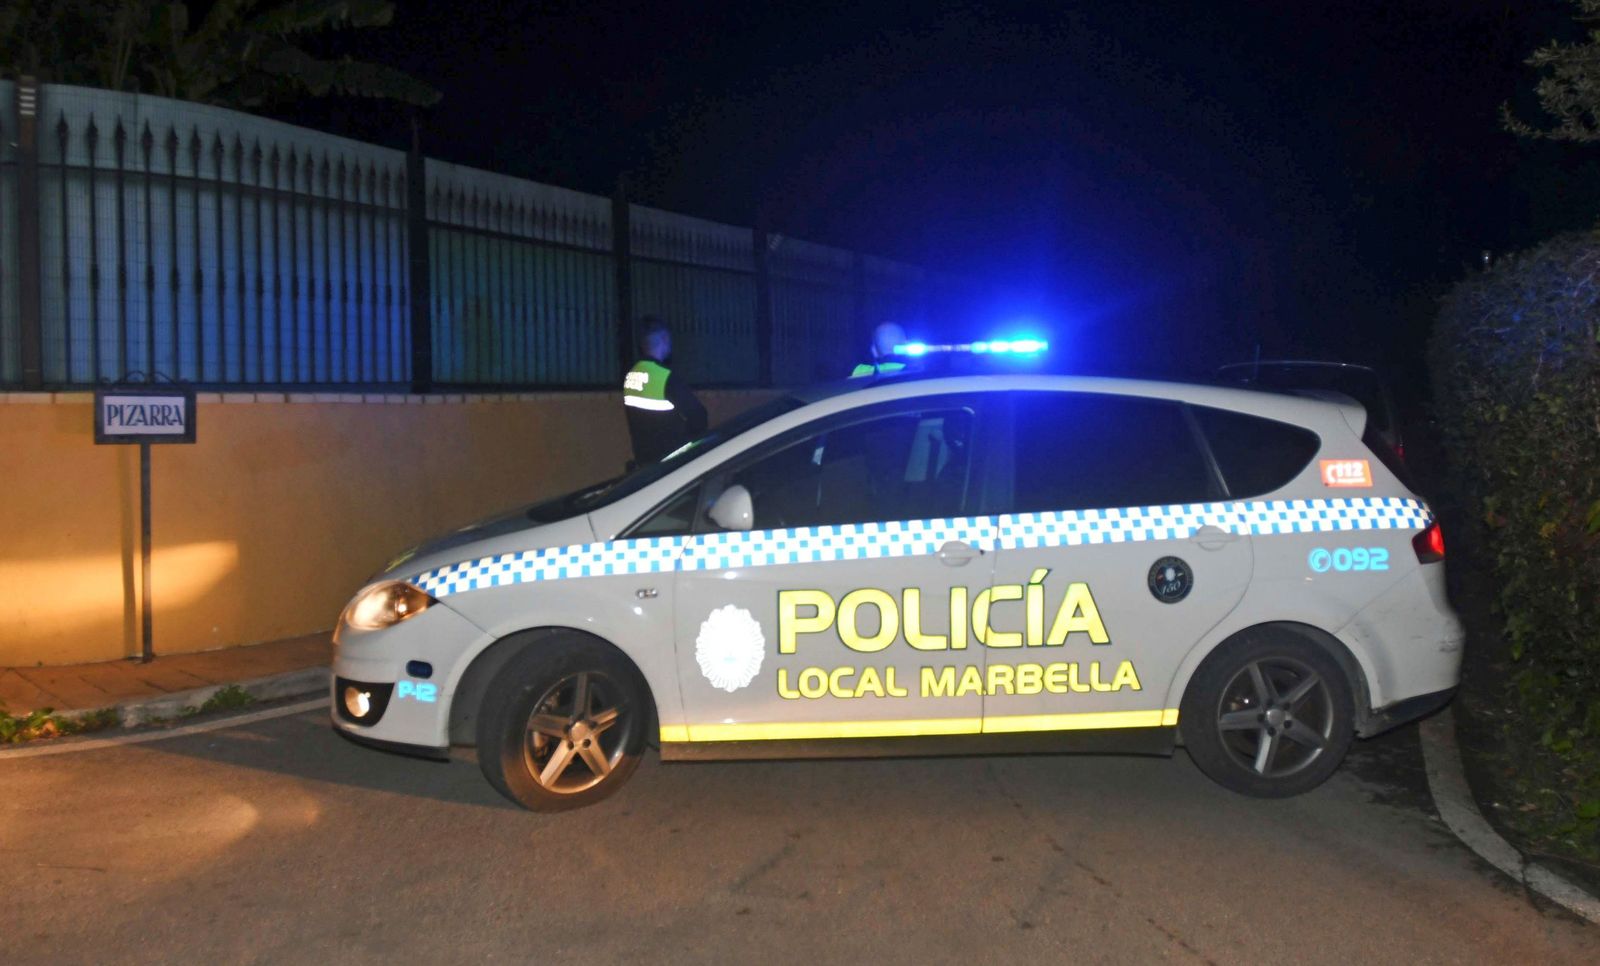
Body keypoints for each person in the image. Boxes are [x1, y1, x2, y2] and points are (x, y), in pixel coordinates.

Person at [622, 316, 708, 465]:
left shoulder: (632, 375)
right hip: (670, 463)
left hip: (644, 461)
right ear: (664, 339)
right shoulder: (665, 377)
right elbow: (699, 417)